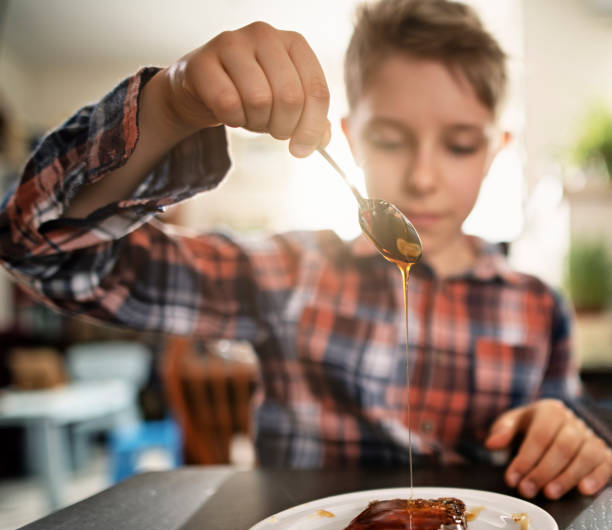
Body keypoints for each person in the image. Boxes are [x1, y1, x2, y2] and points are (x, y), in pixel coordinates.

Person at [1, 0, 610, 499]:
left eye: (458, 145)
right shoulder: (289, 273)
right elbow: (44, 251)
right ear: (350, 138)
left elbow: (571, 448)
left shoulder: (538, 309)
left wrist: (569, 439)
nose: (424, 178)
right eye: (392, 139)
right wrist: (169, 107)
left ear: (495, 149)